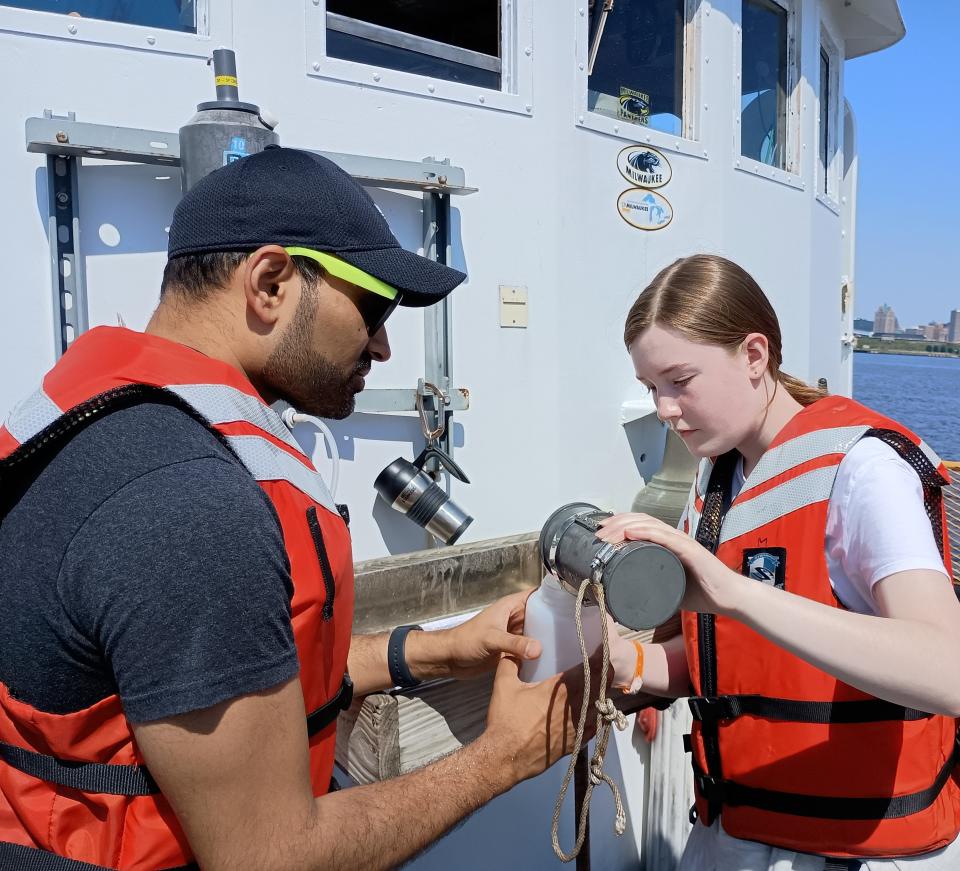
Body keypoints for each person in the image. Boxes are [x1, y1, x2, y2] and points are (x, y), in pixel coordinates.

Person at [0, 147, 588, 871]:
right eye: (373, 307)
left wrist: (435, 648)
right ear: (271, 282)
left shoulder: (107, 425)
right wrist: (501, 757)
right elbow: (272, 858)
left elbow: (221, 680)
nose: (382, 342)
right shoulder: (189, 505)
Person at [598, 254, 960, 870]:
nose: (662, 407)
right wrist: (615, 659)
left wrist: (733, 591)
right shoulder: (718, 479)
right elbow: (727, 660)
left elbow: (949, 671)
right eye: (651, 388)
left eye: (680, 380)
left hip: (852, 851)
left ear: (755, 356)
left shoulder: (864, 473)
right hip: (735, 833)